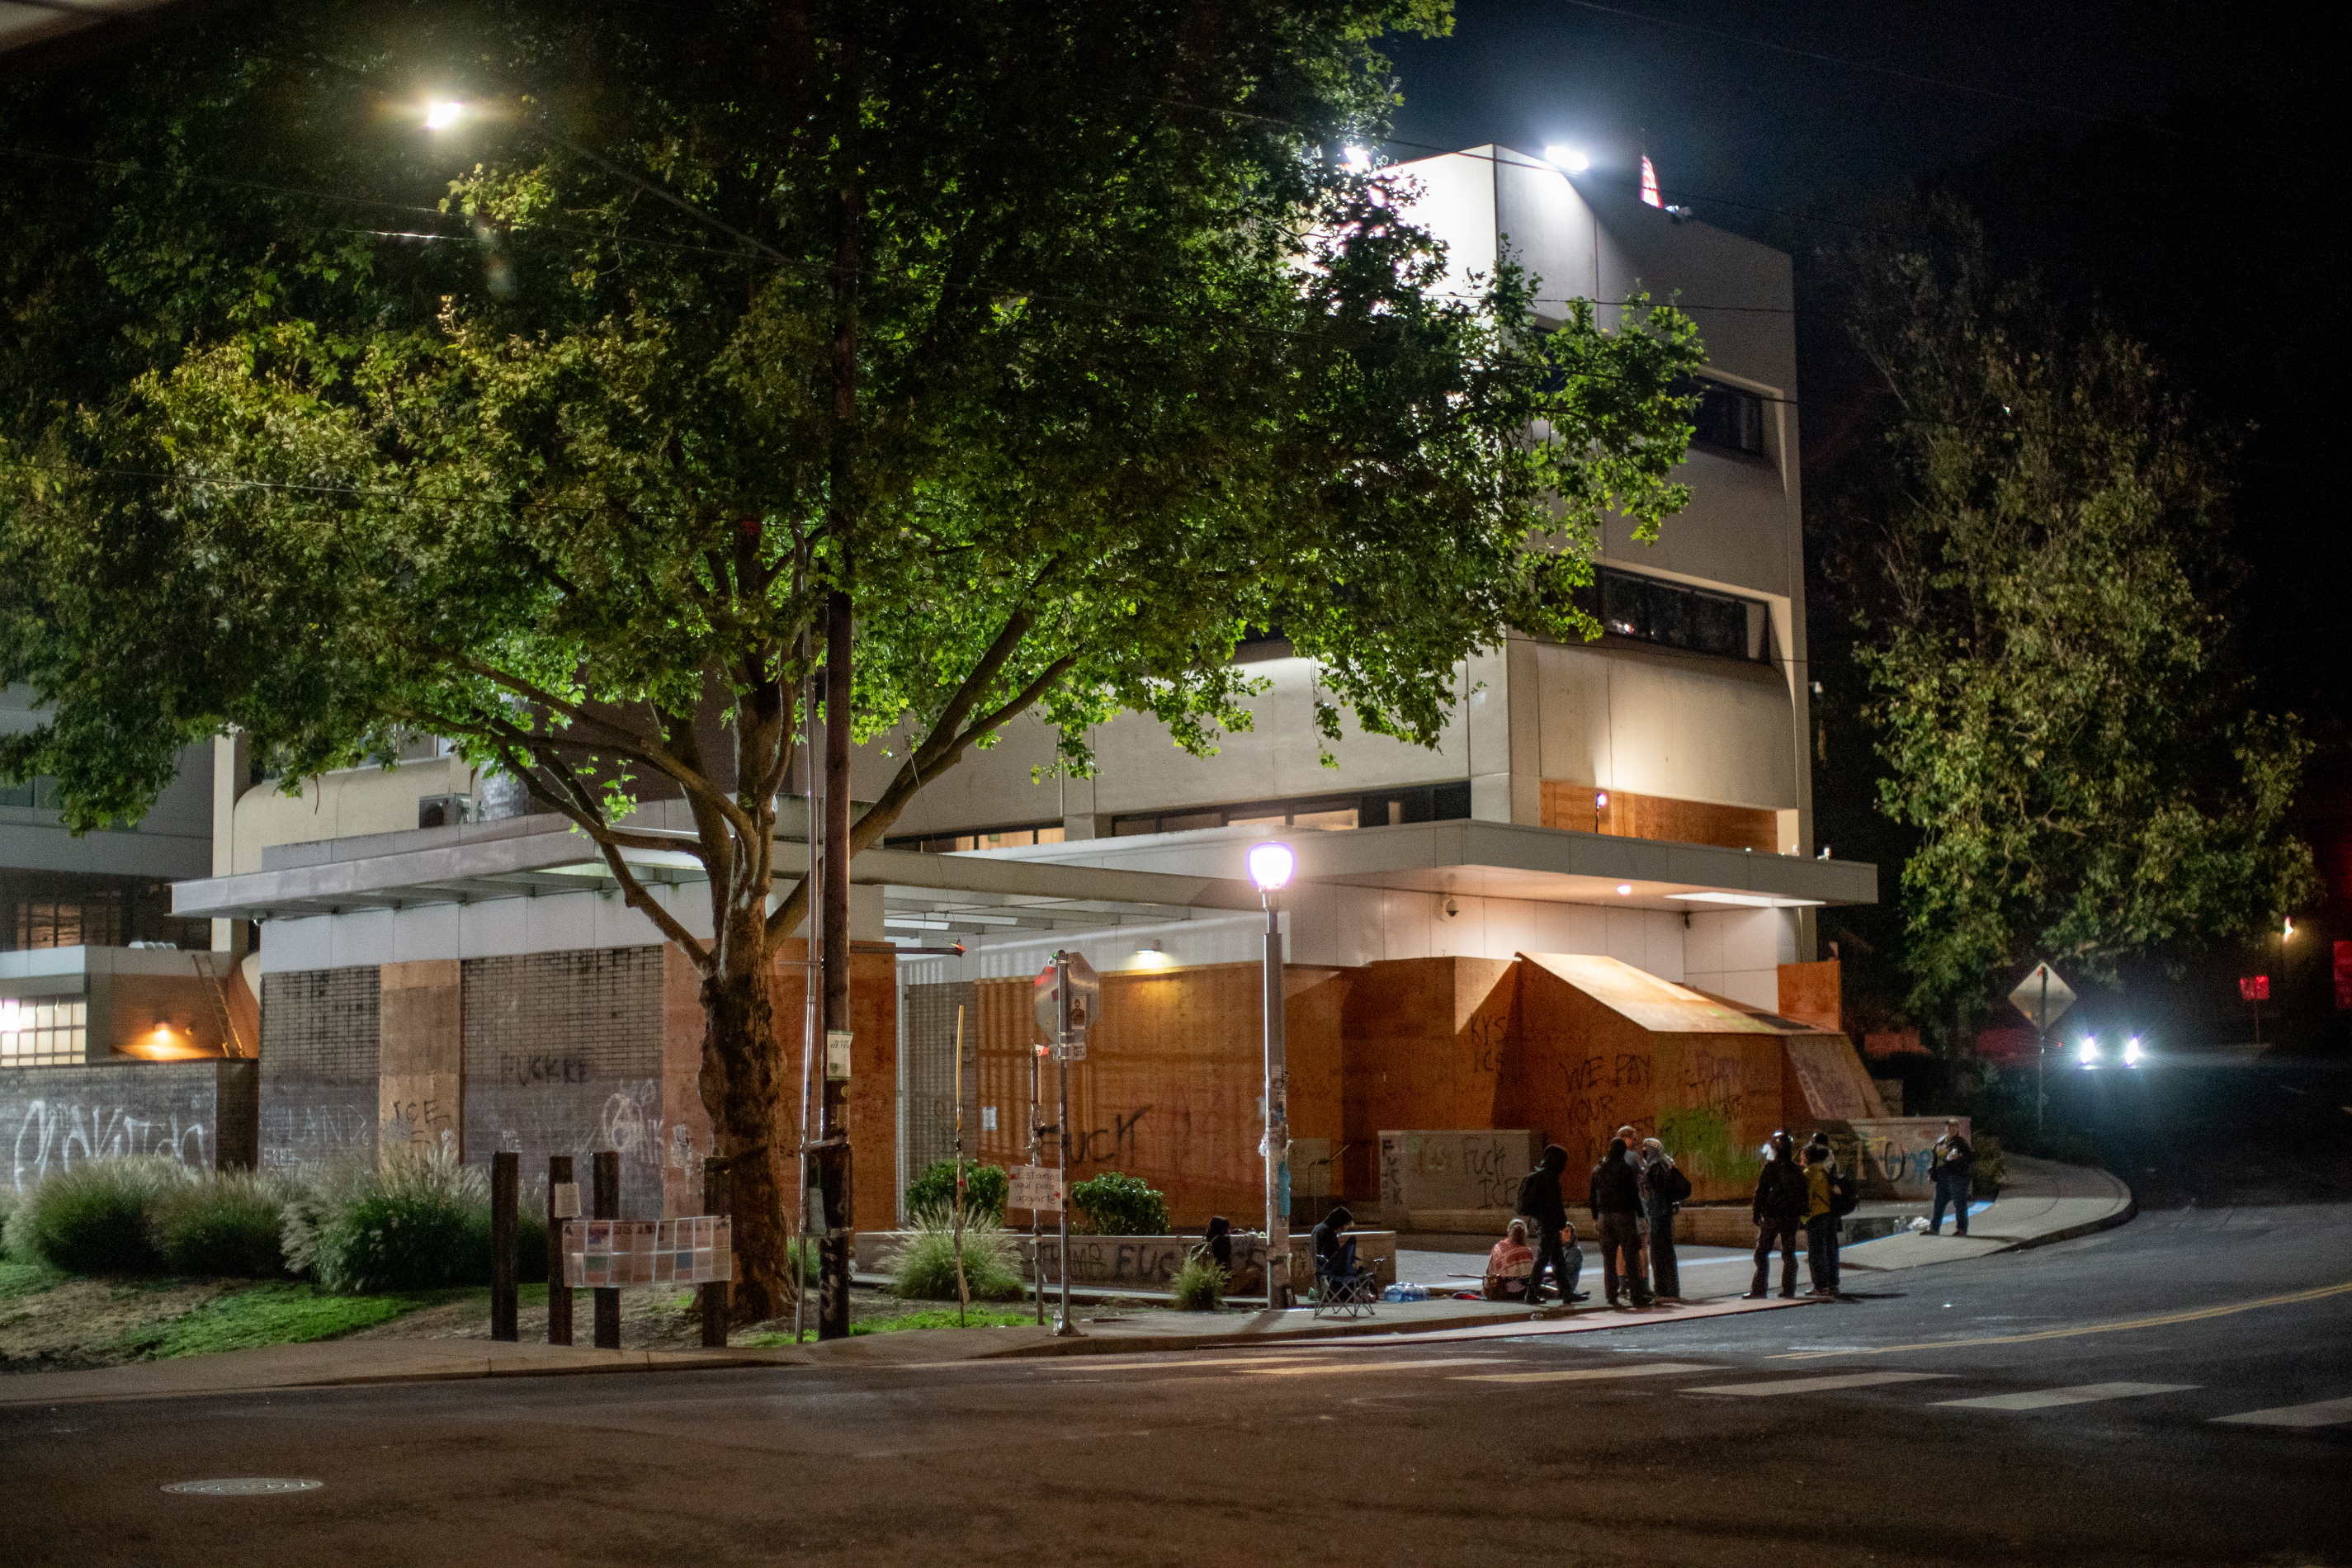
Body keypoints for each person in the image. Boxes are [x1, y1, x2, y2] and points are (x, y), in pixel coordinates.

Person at [1515, 1145, 1585, 1304]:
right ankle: (1531, 1294)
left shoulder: (1540, 1176)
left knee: (1557, 1259)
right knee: (1544, 1258)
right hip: (1549, 1224)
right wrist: (1562, 1222)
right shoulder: (1550, 1178)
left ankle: (1566, 1293)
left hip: (1541, 1222)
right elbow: (1556, 1204)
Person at [1589, 1136, 1651, 1307]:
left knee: (1609, 1259)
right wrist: (1641, 1215)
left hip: (1604, 1218)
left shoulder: (1599, 1170)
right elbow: (1633, 1195)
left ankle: (1611, 1295)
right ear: (1623, 1151)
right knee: (1631, 1256)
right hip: (1623, 1216)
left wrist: (1596, 1218)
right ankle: (1637, 1296)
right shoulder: (1625, 1169)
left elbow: (1592, 1197)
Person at [1747, 1131, 1805, 1299]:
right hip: (1791, 1217)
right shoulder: (1797, 1170)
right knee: (1788, 1253)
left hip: (1772, 1215)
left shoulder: (1770, 1168)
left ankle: (1759, 1289)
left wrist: (1756, 1212)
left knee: (1762, 1253)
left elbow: (1761, 1192)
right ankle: (1788, 1289)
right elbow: (1802, 1194)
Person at [1640, 1137, 1690, 1300]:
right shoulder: (1661, 1165)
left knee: (1661, 1252)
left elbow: (1659, 1191)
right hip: (1661, 1213)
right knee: (1662, 1252)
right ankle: (1666, 1288)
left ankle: (1665, 1288)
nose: (1644, 1152)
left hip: (1660, 1214)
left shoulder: (1657, 1168)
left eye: (1647, 1149)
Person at [1801, 1141, 1842, 1296]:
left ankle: (1820, 1285)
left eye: (1804, 1156)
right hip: (1830, 1216)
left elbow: (1808, 1199)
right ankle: (1833, 1284)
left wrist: (1804, 1217)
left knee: (1817, 1253)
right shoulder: (1827, 1172)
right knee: (1831, 1250)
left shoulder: (1809, 1173)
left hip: (1816, 1216)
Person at [1928, 1119, 1974, 1236]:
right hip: (1943, 1177)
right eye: (1949, 1127)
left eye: (1954, 1127)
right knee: (1939, 1203)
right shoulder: (1941, 1142)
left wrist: (1958, 1158)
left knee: (1959, 1203)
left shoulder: (1961, 1143)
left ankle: (1962, 1229)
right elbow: (1936, 1160)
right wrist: (1932, 1174)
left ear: (1958, 1129)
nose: (1951, 1129)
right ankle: (1934, 1228)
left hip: (1956, 1177)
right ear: (1946, 1128)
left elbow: (1968, 1159)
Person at [1483, 1218, 1536, 1301]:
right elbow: (1527, 1278)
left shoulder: (1498, 1247)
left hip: (1498, 1290)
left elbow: (1489, 1269)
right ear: (1525, 1234)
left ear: (1509, 1232)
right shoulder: (1526, 1251)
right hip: (1518, 1293)